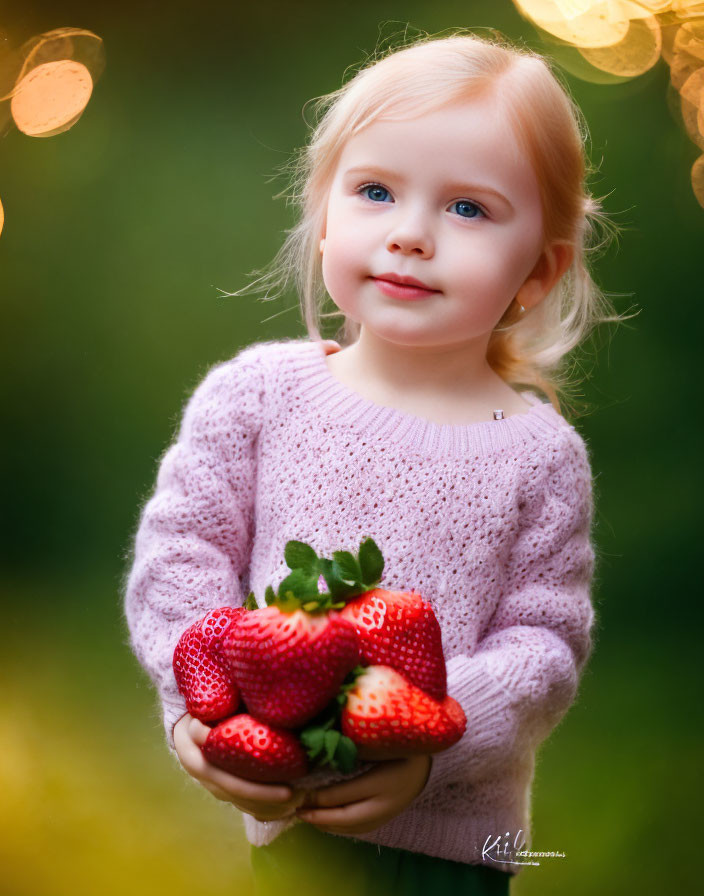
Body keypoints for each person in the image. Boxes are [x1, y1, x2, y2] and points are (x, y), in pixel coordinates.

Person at [121, 28, 632, 896]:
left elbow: (543, 645)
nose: (410, 235)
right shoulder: (257, 397)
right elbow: (181, 559)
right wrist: (197, 715)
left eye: (467, 209)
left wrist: (427, 743)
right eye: (375, 191)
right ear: (323, 223)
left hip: (458, 851)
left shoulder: (540, 456)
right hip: (292, 826)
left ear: (537, 274)